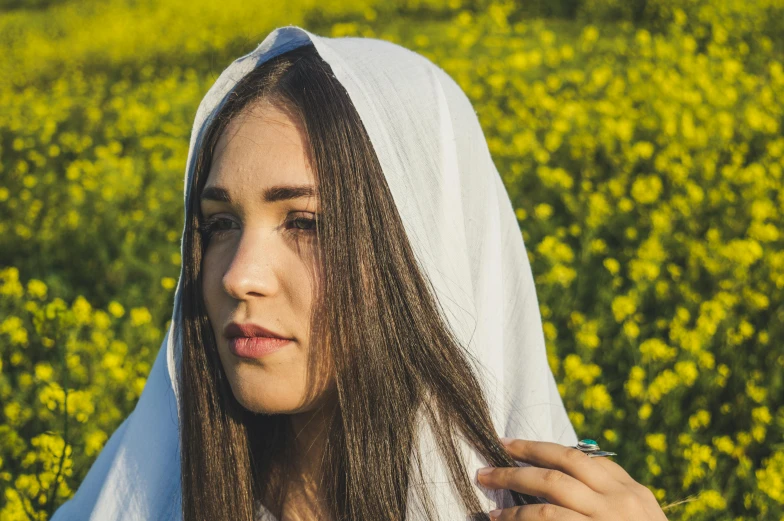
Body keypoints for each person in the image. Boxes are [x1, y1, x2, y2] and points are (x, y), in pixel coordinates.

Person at [50, 26, 668, 521]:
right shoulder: (143, 498)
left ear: (421, 253)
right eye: (219, 225)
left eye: (305, 223)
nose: (239, 278)